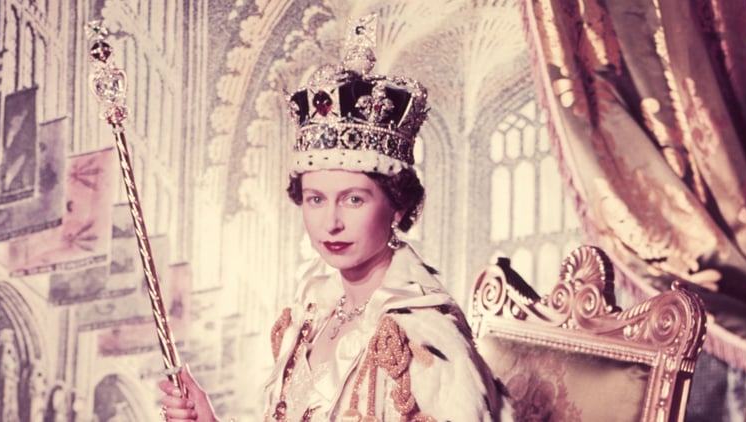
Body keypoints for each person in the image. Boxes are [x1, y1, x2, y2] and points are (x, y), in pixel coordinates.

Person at [158, 15, 510, 421]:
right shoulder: (310, 314)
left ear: (397, 205)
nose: (331, 222)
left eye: (354, 199)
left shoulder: (425, 340)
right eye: (315, 199)